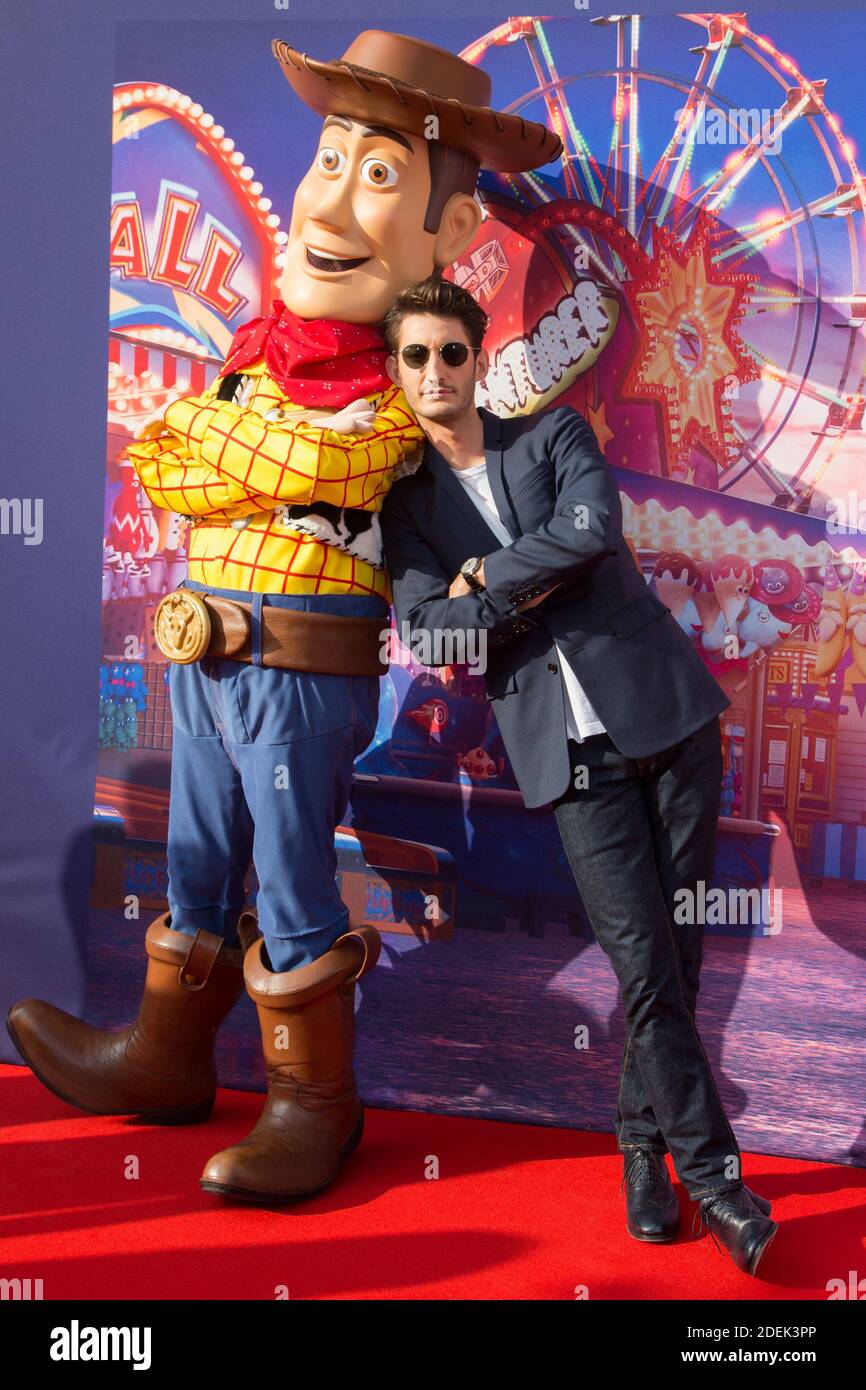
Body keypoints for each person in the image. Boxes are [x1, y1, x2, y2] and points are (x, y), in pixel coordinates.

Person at [6, 32, 561, 1206]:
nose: (334, 202)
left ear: (450, 234)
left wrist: (227, 445)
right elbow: (162, 460)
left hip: (304, 666)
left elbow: (327, 457)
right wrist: (231, 447)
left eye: (379, 178)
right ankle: (163, 1061)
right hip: (204, 656)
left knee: (295, 875)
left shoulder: (408, 376)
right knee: (193, 860)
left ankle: (318, 1101)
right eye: (327, 161)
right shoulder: (256, 358)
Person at [377, 274, 778, 1277]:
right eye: (414, 355)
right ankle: (716, 1179)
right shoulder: (409, 510)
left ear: (477, 359)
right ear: (396, 370)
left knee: (677, 957)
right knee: (642, 963)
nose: (434, 370)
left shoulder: (550, 437)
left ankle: (641, 1146)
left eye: (451, 352)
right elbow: (430, 629)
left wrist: (489, 581)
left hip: (669, 718)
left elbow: (594, 532)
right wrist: (528, 571)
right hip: (565, 751)